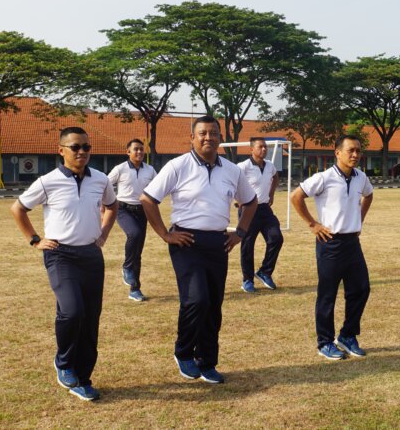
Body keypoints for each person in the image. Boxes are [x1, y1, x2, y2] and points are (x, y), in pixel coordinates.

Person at [140, 115, 258, 384]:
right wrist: (165, 234)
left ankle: (207, 361)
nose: (208, 138)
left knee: (214, 304)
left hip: (218, 242)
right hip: (187, 242)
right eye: (202, 133)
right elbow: (147, 199)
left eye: (213, 133)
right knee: (196, 299)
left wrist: (239, 233)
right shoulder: (178, 166)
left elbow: (250, 203)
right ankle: (183, 352)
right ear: (192, 138)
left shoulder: (231, 170)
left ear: (220, 138)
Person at [10, 126, 117, 401]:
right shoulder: (48, 181)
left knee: (91, 319)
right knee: (72, 311)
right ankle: (64, 363)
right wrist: (35, 240)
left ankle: (83, 377)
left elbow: (112, 205)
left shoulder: (101, 180)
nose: (82, 152)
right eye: (75, 147)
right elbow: (18, 208)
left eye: (86, 147)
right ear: (61, 150)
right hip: (61, 254)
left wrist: (103, 233)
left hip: (91, 255)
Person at [290, 135, 374, 360]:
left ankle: (347, 335)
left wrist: (360, 219)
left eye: (358, 151)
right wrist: (313, 224)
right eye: (350, 150)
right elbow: (296, 196)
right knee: (327, 294)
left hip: (352, 243)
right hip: (330, 243)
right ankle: (325, 342)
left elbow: (369, 194)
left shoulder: (361, 177)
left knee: (361, 289)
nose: (355, 155)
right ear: (337, 153)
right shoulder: (324, 178)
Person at [107, 139, 157, 302]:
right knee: (133, 234)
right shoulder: (120, 169)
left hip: (142, 211)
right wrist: (104, 206)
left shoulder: (150, 170)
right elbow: (105, 185)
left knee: (138, 252)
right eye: (136, 149)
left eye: (142, 149)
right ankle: (127, 267)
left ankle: (135, 289)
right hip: (123, 209)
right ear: (128, 152)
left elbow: (158, 186)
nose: (139, 152)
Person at [236, 137, 284, 293]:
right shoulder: (243, 166)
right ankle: (247, 280)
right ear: (251, 149)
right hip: (248, 210)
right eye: (260, 147)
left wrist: (271, 194)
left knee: (276, 238)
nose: (264, 149)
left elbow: (275, 177)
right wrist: (239, 200)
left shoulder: (270, 165)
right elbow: (231, 182)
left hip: (264, 209)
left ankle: (264, 272)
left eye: (265, 147)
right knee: (248, 245)